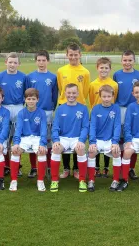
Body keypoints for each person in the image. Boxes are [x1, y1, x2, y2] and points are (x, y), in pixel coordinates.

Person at [57, 43, 90, 179]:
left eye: (76, 54)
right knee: (64, 136)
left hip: (79, 108)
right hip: (64, 106)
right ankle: (66, 168)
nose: (73, 57)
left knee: (77, 138)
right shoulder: (61, 71)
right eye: (71, 54)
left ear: (80, 55)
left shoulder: (85, 72)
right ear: (67, 55)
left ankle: (76, 168)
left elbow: (86, 90)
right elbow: (60, 88)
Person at [50, 84, 89, 193]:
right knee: (56, 149)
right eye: (69, 93)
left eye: (73, 93)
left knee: (81, 149)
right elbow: (55, 127)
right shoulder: (60, 108)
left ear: (77, 93)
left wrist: (81, 140)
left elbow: (85, 127)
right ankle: (54, 180)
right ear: (64, 94)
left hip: (77, 138)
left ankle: (82, 180)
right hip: (63, 138)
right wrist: (56, 140)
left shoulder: (83, 108)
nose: (71, 95)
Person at [26, 50, 58, 177]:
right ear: (35, 61)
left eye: (43, 60)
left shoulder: (53, 77)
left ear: (48, 61)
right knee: (33, 137)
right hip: (32, 112)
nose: (41, 63)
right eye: (39, 60)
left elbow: (55, 96)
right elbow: (27, 95)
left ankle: (49, 166)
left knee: (47, 139)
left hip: (47, 111)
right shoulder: (30, 77)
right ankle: (34, 167)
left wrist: (51, 108)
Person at [113, 50, 139, 180]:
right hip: (120, 108)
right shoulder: (116, 75)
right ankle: (120, 165)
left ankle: (130, 168)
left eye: (130, 60)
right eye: (125, 60)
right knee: (120, 138)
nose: (127, 62)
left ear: (134, 61)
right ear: (121, 61)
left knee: (132, 137)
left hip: (134, 109)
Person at [9, 88, 47, 192]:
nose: (31, 101)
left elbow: (44, 130)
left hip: (37, 138)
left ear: (37, 100)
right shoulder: (21, 113)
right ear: (25, 100)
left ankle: (40, 181)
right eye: (29, 99)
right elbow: (18, 130)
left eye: (33, 99)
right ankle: (13, 181)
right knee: (15, 151)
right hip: (24, 138)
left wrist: (42, 143)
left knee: (42, 152)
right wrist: (16, 143)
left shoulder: (42, 113)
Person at [0, 52, 26, 177]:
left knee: (17, 137)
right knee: (5, 138)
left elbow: (27, 93)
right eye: (10, 62)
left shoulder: (24, 77)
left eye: (15, 62)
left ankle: (17, 166)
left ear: (18, 64)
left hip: (19, 107)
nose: (12, 64)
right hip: (4, 108)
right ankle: (7, 166)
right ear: (6, 62)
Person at [88, 85, 121, 192]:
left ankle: (116, 180)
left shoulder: (116, 108)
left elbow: (117, 125)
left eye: (108, 96)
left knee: (116, 152)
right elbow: (92, 126)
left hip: (110, 140)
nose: (106, 99)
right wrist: (92, 142)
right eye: (104, 96)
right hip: (98, 139)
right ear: (100, 96)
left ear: (112, 96)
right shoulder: (95, 108)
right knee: (92, 152)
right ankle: (91, 180)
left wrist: (115, 142)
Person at [89, 57, 118, 178]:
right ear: (97, 68)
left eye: (106, 68)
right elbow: (91, 101)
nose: (104, 70)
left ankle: (106, 167)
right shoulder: (92, 84)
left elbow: (114, 100)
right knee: (97, 140)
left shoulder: (114, 85)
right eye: (101, 68)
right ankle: (96, 167)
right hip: (97, 115)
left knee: (108, 138)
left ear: (110, 69)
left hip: (109, 116)